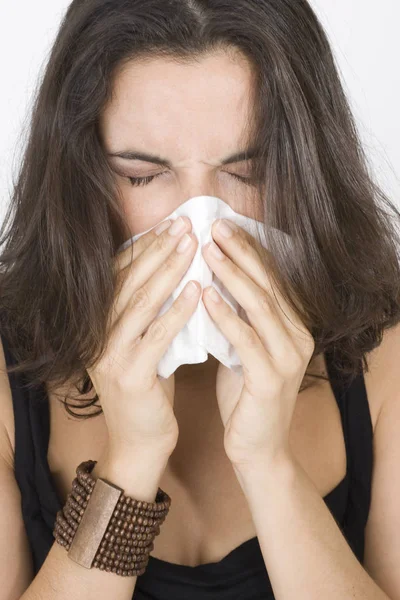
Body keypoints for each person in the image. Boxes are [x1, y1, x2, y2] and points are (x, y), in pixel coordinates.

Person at [0, 0, 399, 599]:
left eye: (250, 171)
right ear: (77, 177)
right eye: (141, 175)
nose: (201, 221)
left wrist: (266, 464)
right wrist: (130, 460)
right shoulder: (8, 374)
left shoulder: (387, 358)